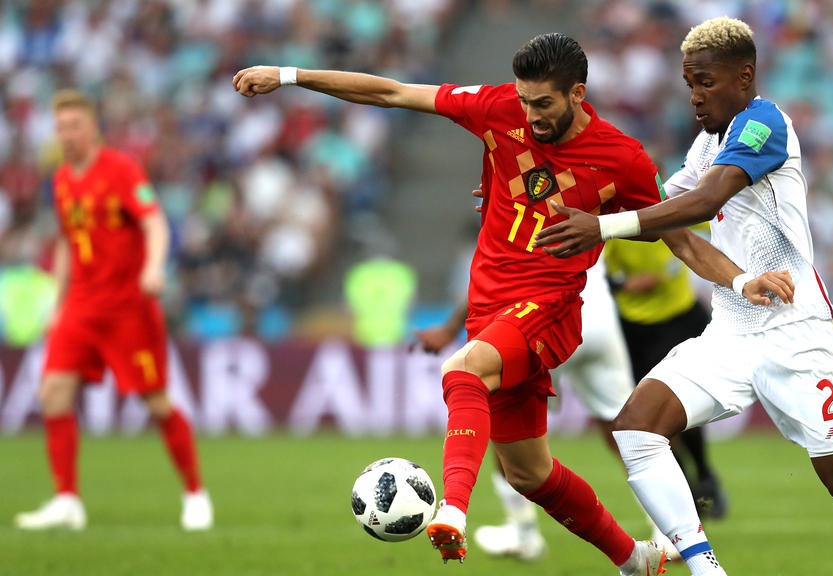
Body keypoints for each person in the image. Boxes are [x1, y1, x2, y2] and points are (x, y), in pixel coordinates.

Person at [234, 32, 792, 574]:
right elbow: (393, 92)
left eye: (544, 103)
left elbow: (680, 237)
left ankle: (451, 508)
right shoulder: (498, 108)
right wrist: (288, 76)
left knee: (462, 372)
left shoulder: (621, 158)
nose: (531, 115)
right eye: (525, 101)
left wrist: (741, 282)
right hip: (489, 308)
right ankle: (634, 559)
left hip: (549, 308)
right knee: (530, 474)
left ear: (578, 94)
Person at [532, 17, 833, 576]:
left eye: (705, 82)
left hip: (795, 332)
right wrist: (533, 195)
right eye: (689, 83)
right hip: (731, 331)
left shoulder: (764, 126)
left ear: (744, 75)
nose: (694, 97)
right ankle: (707, 569)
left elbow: (704, 202)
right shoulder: (708, 142)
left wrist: (606, 227)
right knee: (636, 428)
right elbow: (663, 213)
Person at [15, 90, 212, 532]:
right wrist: (57, 301)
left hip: (128, 307)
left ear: (93, 127)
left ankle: (195, 493)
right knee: (52, 394)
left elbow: (154, 221)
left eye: (74, 126)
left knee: (156, 402)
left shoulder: (120, 169)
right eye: (60, 127)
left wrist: (154, 267)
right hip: (82, 306)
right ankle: (67, 500)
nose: (66, 135)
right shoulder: (62, 180)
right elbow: (67, 242)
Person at [417, 254, 678, 562]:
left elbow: (491, 273)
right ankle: (670, 531)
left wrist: (450, 328)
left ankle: (523, 531)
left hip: (540, 319)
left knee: (503, 414)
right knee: (624, 429)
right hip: (597, 318)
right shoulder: (593, 205)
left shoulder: (515, 209)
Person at [603, 237, 727, 519]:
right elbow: (594, 275)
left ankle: (705, 475)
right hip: (635, 330)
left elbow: (709, 218)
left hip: (681, 318)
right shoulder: (607, 221)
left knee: (685, 407)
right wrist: (625, 284)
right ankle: (687, 489)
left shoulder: (667, 204)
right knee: (653, 417)